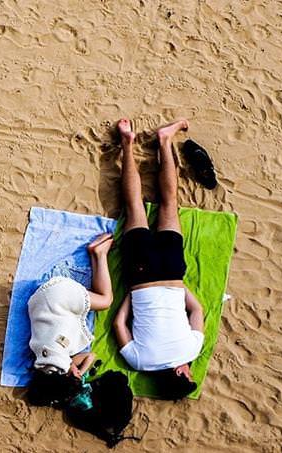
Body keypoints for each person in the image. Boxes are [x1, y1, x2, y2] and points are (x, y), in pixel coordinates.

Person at [112, 118, 204, 400]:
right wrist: (130, 294)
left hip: (172, 272)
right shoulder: (138, 362)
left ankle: (164, 140)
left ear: (180, 373)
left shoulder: (191, 350)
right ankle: (127, 142)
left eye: (188, 372)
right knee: (135, 208)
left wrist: (179, 285)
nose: (189, 368)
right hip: (140, 279)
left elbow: (196, 311)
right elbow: (119, 324)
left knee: (169, 203)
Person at [27, 233, 114, 407]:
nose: (77, 372)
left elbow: (90, 355)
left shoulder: (62, 363)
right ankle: (97, 254)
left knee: (105, 300)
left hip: (56, 298)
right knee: (93, 299)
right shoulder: (45, 365)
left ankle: (99, 254)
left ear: (67, 375)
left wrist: (79, 371)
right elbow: (88, 357)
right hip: (39, 301)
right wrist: (77, 372)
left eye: (75, 374)